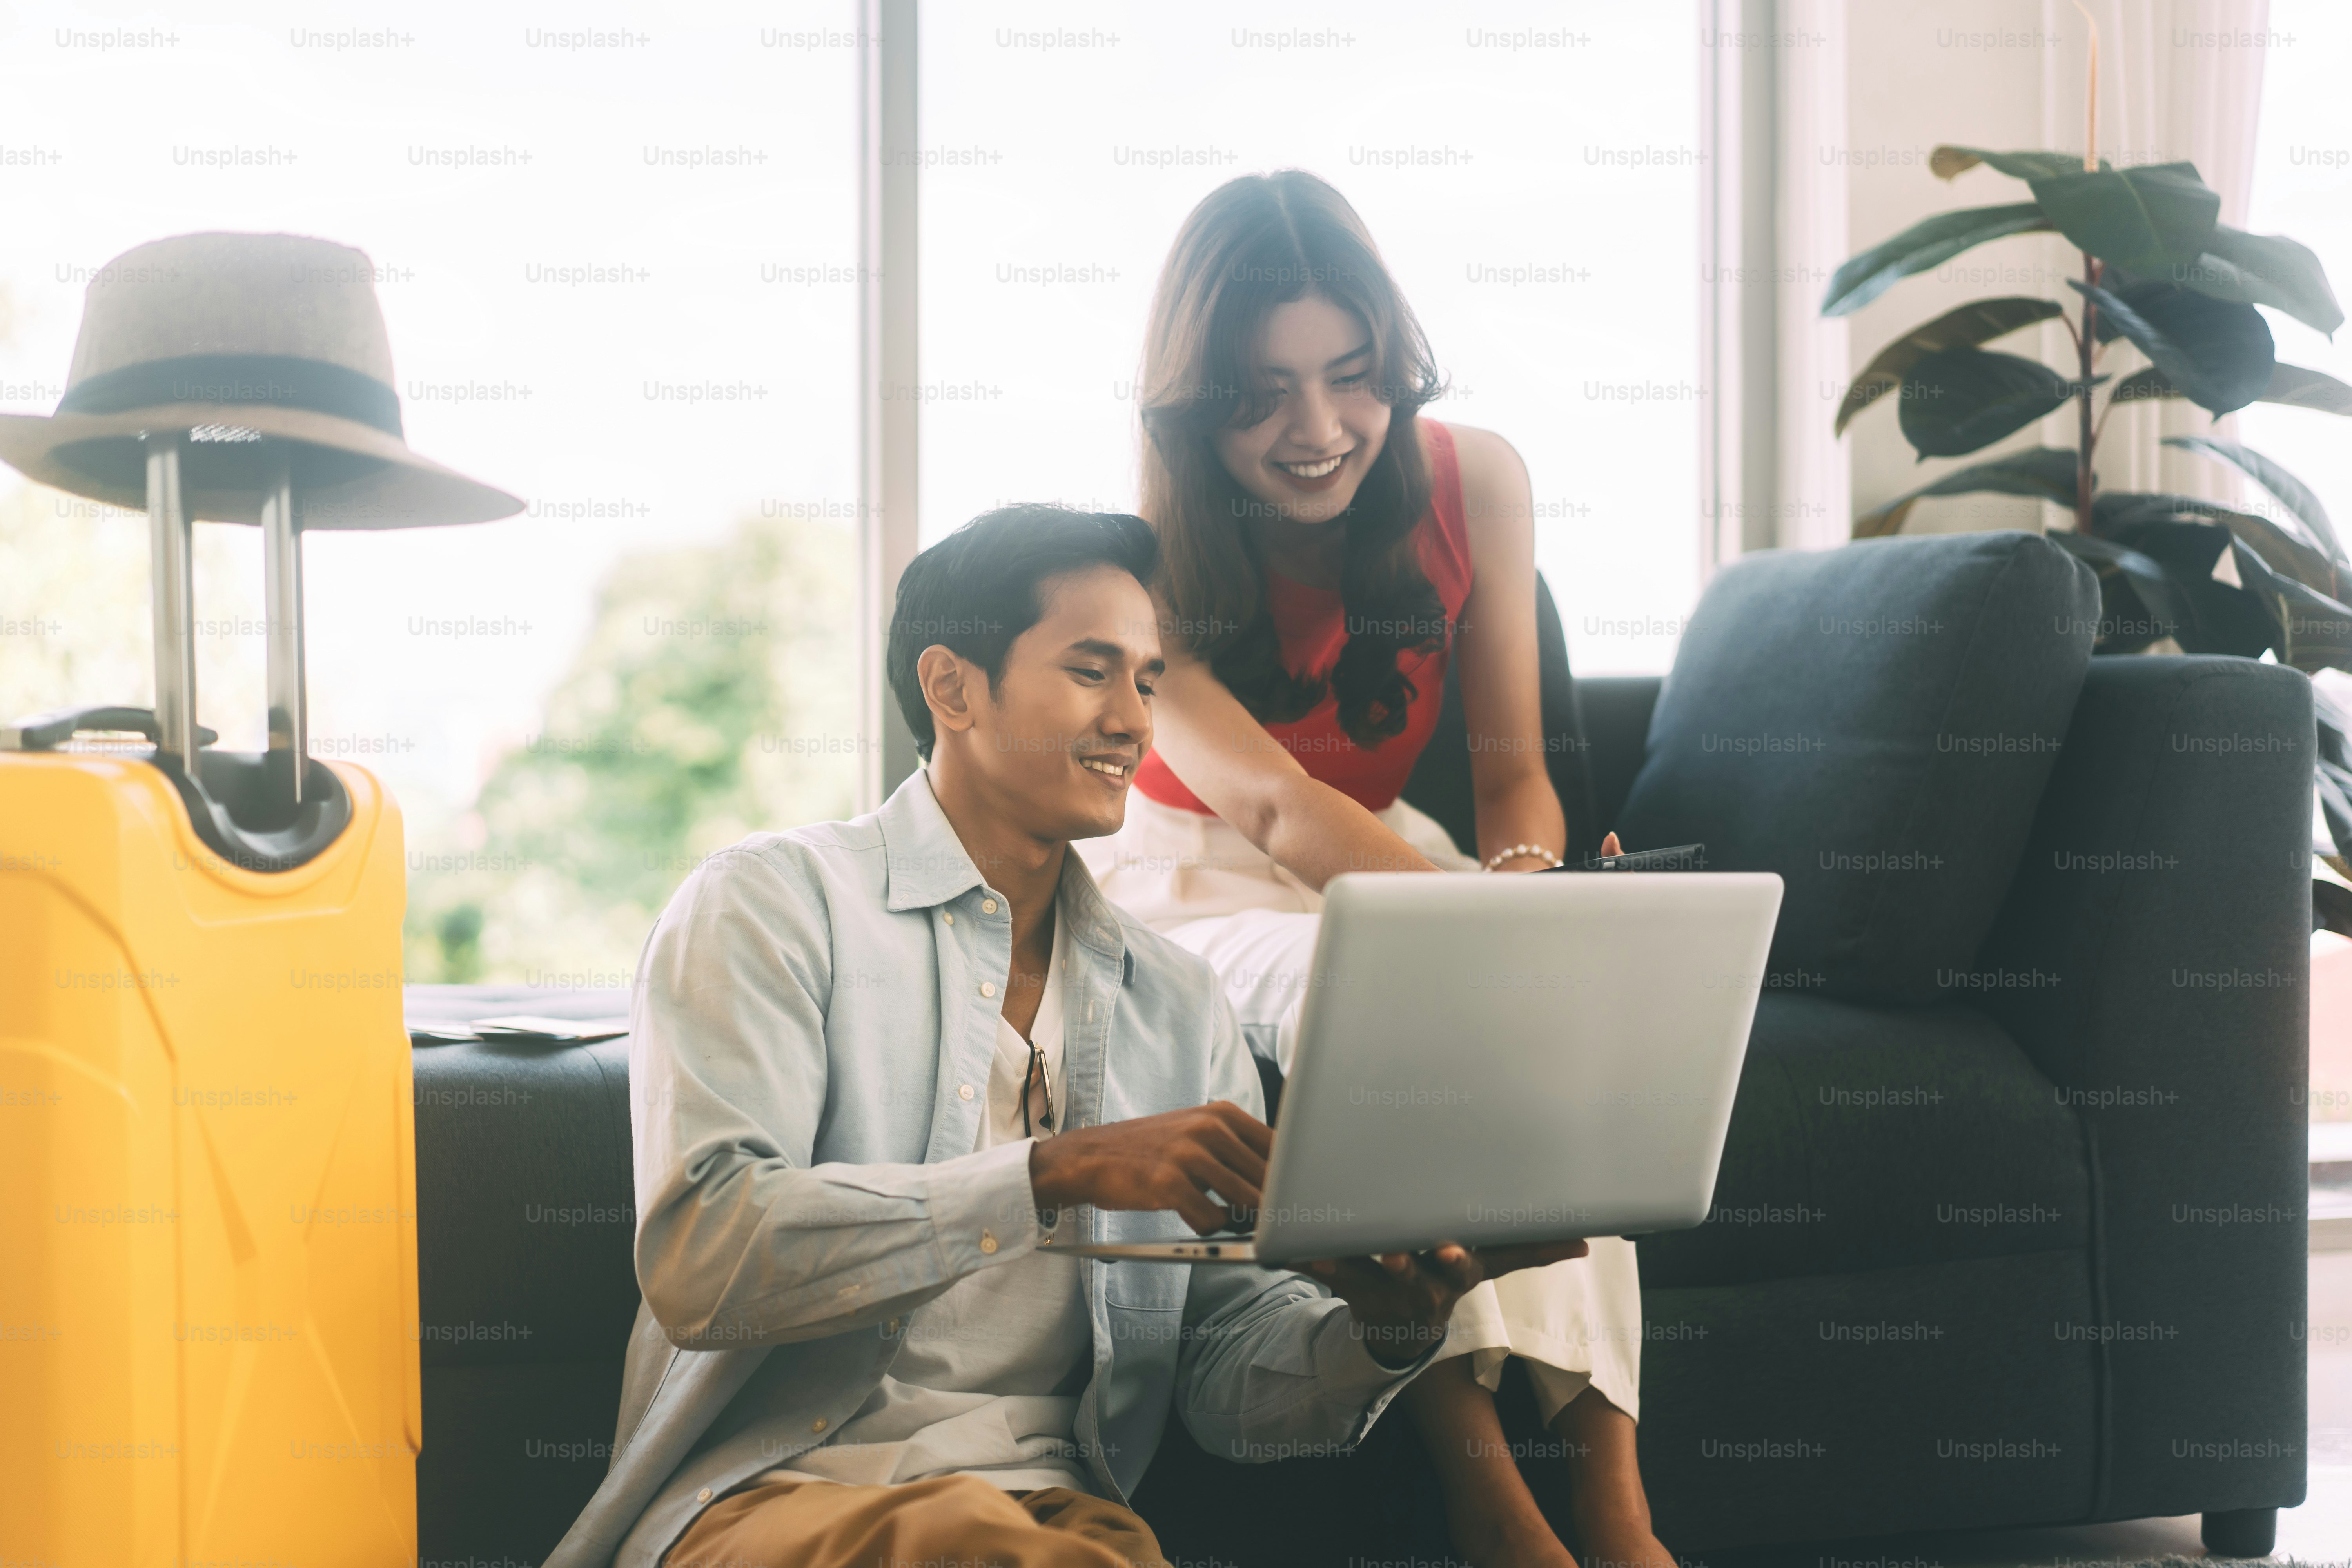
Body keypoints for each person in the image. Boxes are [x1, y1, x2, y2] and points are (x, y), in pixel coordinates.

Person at [541, 504, 1585, 1568]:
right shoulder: (771, 903)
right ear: (952, 687)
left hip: (1062, 1516)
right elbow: (707, 1257)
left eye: (1147, 681)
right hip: (767, 1499)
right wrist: (1057, 1170)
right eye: (1092, 671)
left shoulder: (1179, 1002)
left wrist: (1388, 1330)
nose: (1135, 721)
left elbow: (1223, 1379)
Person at [1076, 170, 1672, 1568]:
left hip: (1398, 853)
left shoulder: (1479, 479)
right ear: (1191, 402)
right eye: (1262, 394)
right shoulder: (1145, 559)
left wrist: (1522, 895)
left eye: (1354, 380)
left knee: (1545, 1025)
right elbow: (1277, 811)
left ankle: (1617, 1503)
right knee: (1435, 1010)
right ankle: (1491, 1503)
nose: (1320, 431)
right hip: (1196, 878)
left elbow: (1518, 770)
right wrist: (1480, 946)